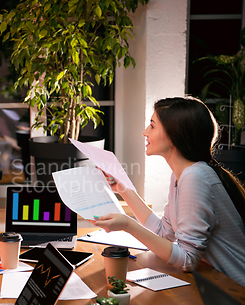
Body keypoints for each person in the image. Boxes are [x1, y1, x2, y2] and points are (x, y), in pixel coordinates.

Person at [92, 96, 245, 287]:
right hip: (214, 283)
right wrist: (124, 190)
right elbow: (164, 233)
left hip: (234, 291)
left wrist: (128, 225)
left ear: (174, 135)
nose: (144, 132)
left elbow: (187, 259)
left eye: (152, 126)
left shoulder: (195, 176)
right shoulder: (182, 175)